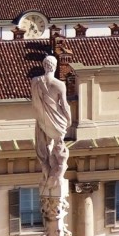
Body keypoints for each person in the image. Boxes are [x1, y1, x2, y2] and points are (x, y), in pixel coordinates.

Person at [30, 55, 71, 193]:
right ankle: (57, 174)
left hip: (42, 119)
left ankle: (47, 170)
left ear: (44, 66)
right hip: (57, 121)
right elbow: (64, 105)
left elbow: (35, 103)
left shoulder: (35, 81)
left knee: (45, 147)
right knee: (60, 149)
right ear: (55, 66)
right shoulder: (59, 85)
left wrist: (41, 117)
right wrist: (69, 119)